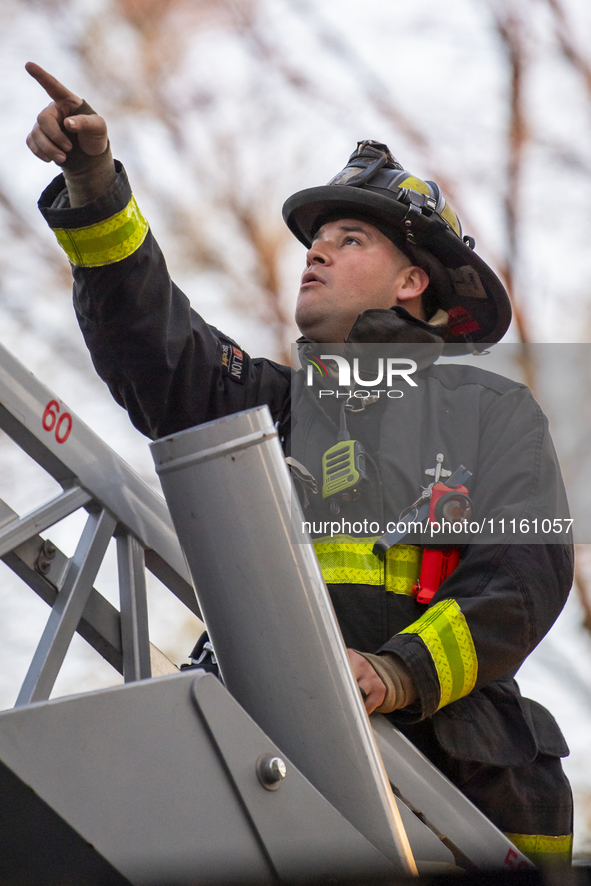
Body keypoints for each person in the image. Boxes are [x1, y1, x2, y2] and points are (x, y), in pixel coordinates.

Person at [26, 62, 574, 865]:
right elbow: (156, 349)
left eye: (349, 240)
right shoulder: (273, 406)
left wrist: (399, 672)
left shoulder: (486, 416)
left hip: (458, 793)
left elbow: (522, 581)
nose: (315, 255)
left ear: (412, 281)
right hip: (270, 771)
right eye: (316, 241)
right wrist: (93, 181)